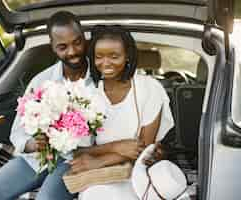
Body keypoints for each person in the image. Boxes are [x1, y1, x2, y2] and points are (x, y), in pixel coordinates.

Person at [0, 11, 90, 200]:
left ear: (84, 38)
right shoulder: (41, 82)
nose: (72, 51)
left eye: (77, 42)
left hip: (75, 161)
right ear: (52, 47)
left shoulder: (101, 82)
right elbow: (16, 133)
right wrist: (31, 144)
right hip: (36, 159)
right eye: (63, 46)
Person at [69, 25, 175, 199]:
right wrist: (116, 147)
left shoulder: (149, 89)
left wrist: (99, 159)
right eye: (99, 56)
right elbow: (77, 151)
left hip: (136, 174)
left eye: (114, 56)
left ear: (127, 57)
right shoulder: (86, 94)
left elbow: (142, 149)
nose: (106, 63)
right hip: (96, 176)